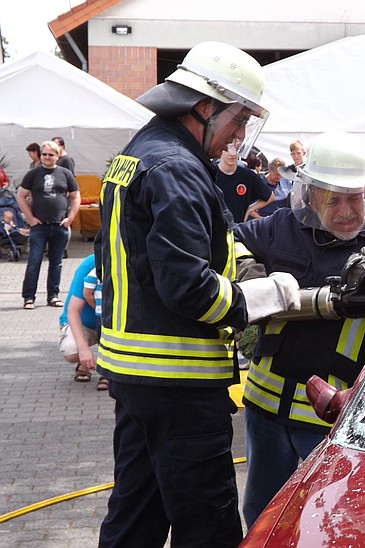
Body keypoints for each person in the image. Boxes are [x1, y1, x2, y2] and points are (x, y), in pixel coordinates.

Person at [95, 41, 300, 547]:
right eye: (238, 119)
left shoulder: (136, 156)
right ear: (205, 106)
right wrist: (264, 297)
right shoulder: (179, 170)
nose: (240, 135)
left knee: (136, 515)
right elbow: (188, 287)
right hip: (180, 381)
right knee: (206, 524)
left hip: (133, 374)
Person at [234, 130, 365, 529]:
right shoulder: (281, 227)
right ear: (311, 195)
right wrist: (249, 276)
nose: (345, 211)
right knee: (262, 517)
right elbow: (230, 240)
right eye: (333, 199)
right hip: (265, 411)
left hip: (334, 419)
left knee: (329, 521)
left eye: (354, 197)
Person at [17, 140, 80, 310]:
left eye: (50, 154)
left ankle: (53, 296)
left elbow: (75, 196)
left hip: (59, 226)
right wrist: (30, 218)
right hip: (39, 227)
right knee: (34, 262)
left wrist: (70, 218)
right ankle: (29, 298)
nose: (47, 157)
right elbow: (20, 196)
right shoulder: (33, 174)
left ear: (57, 156)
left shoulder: (65, 174)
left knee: (56, 263)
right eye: (44, 154)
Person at [59, 253, 108, 390]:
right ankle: (83, 360)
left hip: (112, 324)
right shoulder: (91, 263)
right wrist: (83, 350)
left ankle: (109, 371)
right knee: (72, 350)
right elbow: (73, 310)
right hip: (85, 323)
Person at [214, 143, 273, 222]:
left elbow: (270, 196)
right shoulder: (210, 173)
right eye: (228, 150)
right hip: (213, 229)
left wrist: (249, 209)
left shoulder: (247, 175)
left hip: (237, 229)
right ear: (220, 151)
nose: (232, 153)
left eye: (236, 150)